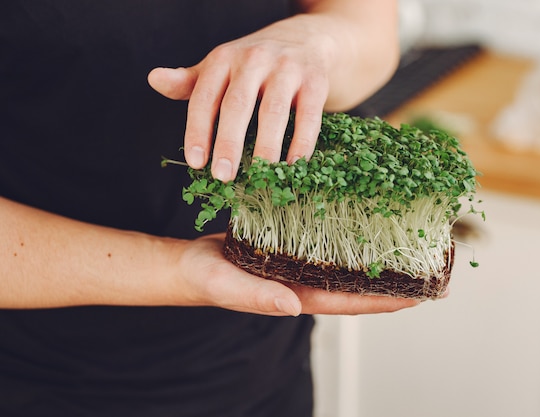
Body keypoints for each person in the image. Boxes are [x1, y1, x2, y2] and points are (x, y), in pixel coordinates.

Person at [0, 1, 418, 416]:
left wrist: (320, 43)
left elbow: (368, 25)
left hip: (264, 367)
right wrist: (177, 268)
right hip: (46, 381)